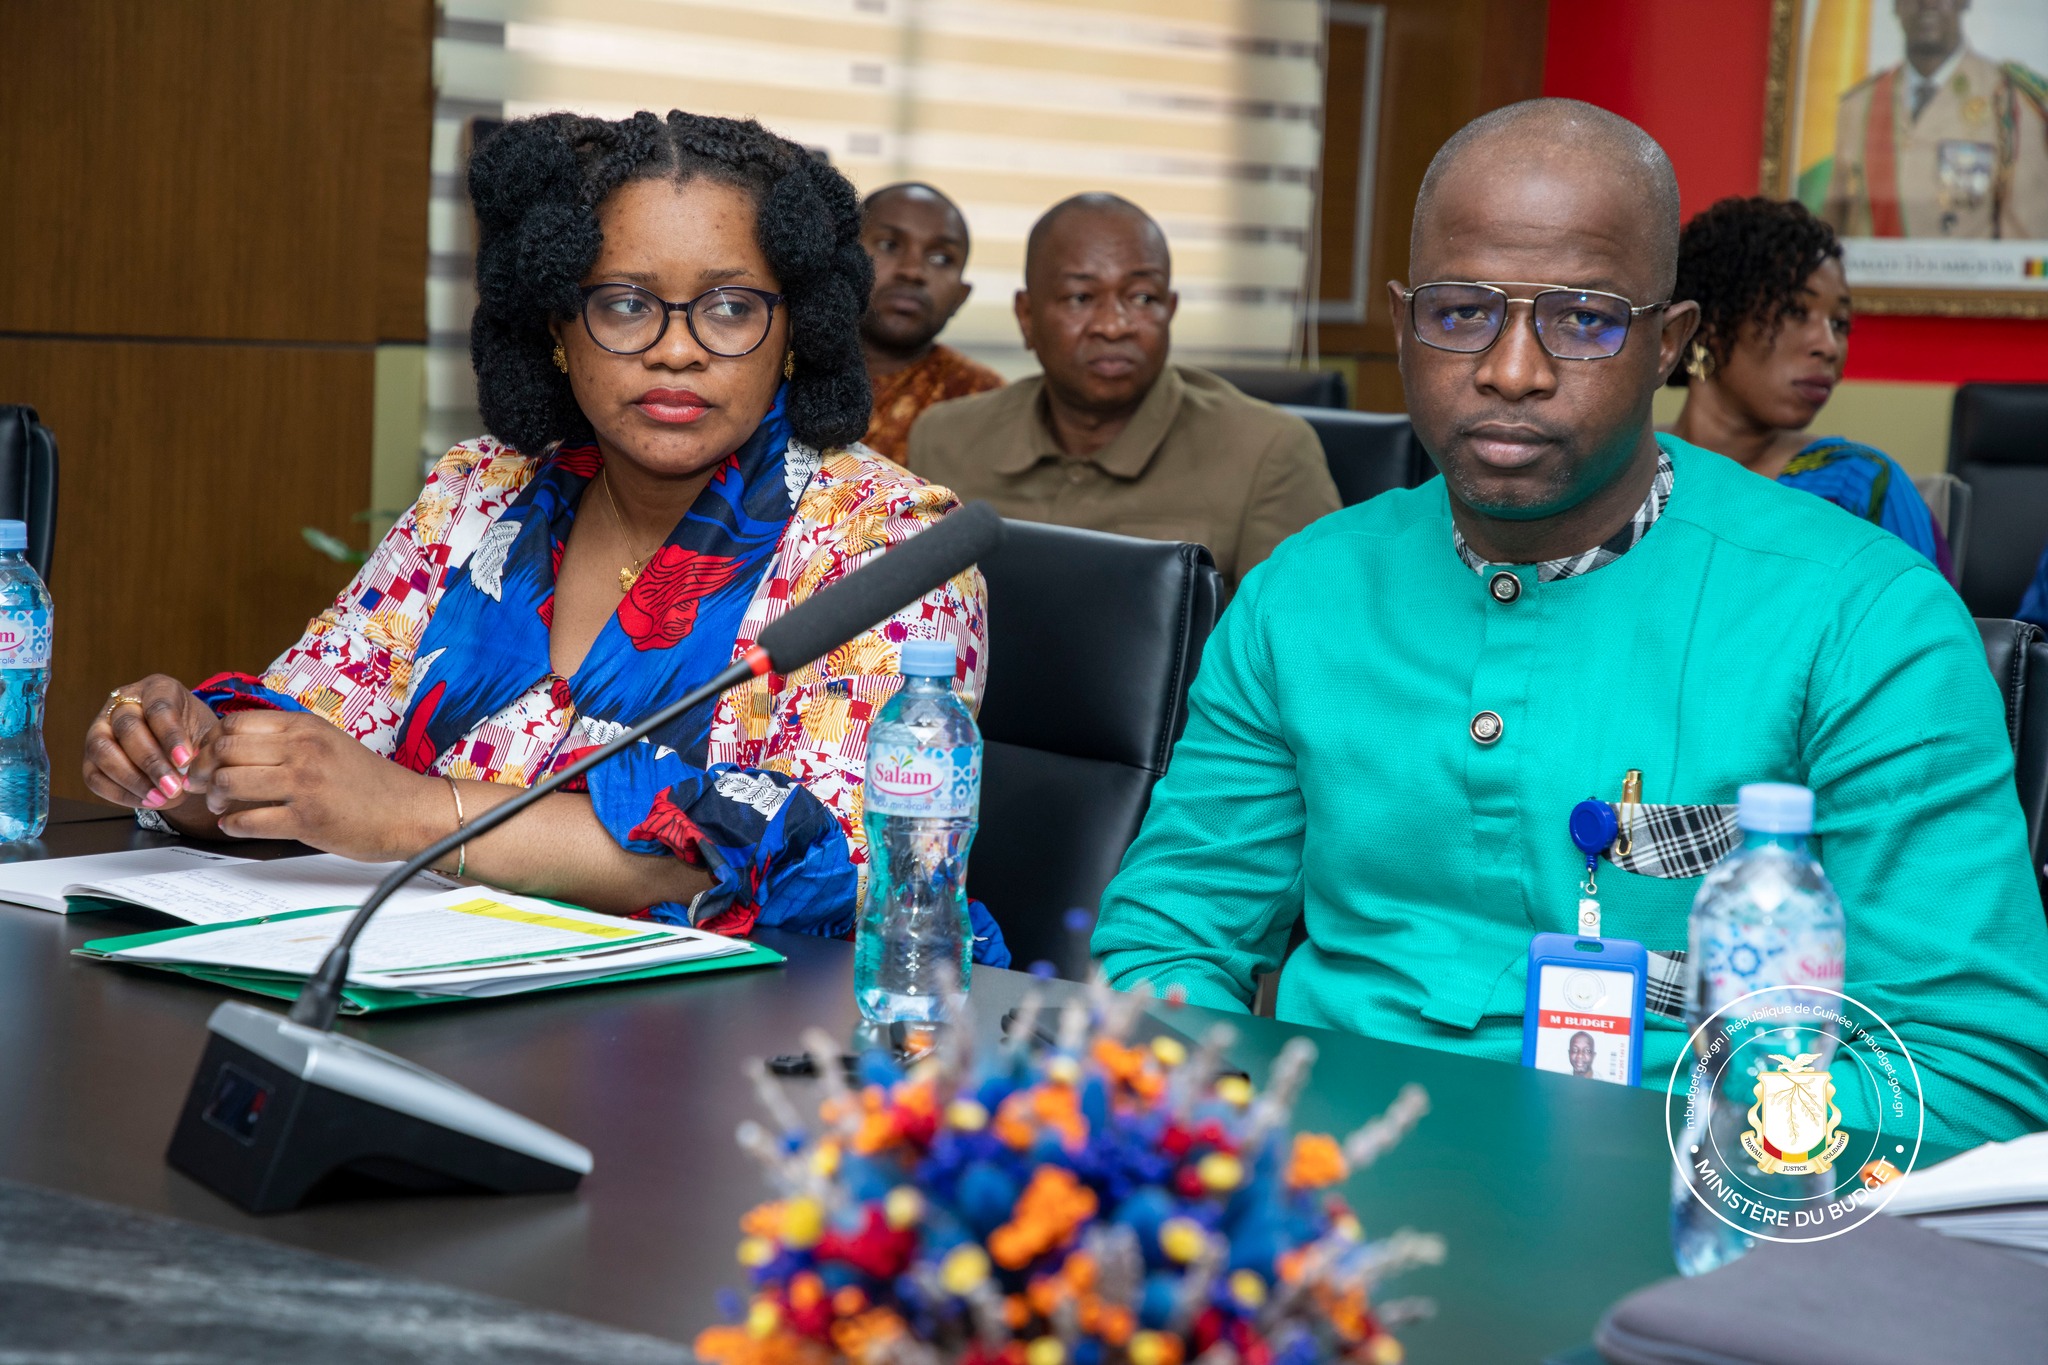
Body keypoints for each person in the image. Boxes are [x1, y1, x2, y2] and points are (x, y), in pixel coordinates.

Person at [1092, 99, 2048, 1152]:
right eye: (1461, 313)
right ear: (1404, 324)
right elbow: (1165, 940)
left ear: (1667, 344)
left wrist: (1680, 1180)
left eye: (1583, 320)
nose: (1511, 370)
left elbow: (1973, 1074)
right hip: (1320, 1176)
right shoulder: (1301, 594)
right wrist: (1228, 1148)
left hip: (1685, 1188)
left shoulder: (1865, 618)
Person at [81, 111, 1003, 961]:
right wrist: (192, 766)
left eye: (729, 306)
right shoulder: (479, 493)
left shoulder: (884, 540)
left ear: (794, 329)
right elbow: (314, 741)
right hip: (437, 995)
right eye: (626, 303)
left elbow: (850, 857)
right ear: (560, 324)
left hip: (757, 1041)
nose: (676, 348)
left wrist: (414, 815)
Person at [908, 193, 1340, 591]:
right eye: (1080, 297)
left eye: (1143, 298)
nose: (1114, 326)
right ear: (1026, 316)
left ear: (1170, 310)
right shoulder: (946, 438)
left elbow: (1297, 637)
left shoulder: (1268, 452)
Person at [1666, 196, 1950, 578]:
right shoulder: (1628, 472)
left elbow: (1927, 615)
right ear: (1711, 326)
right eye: (1795, 311)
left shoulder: (1859, 486)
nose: (1829, 347)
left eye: (1840, 323)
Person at [1823, 0, 2048, 239]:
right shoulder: (1859, 106)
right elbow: (1833, 231)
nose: (1927, 3)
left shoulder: (2009, 101)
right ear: (1896, 5)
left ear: (1964, 2)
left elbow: (2024, 240)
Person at [857, 182, 1004, 465]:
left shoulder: (982, 399)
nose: (913, 271)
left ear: (961, 297)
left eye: (940, 258)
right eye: (889, 245)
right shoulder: (783, 367)